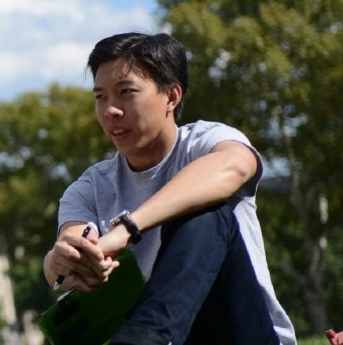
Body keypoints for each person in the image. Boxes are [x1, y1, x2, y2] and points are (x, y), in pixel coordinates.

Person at [41, 32, 295, 344]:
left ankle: (143, 338)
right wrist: (61, 261)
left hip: (242, 335)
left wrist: (126, 228)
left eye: (126, 92)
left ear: (171, 96)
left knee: (206, 210)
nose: (110, 111)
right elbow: (69, 243)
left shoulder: (206, 143)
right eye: (100, 97)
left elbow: (237, 165)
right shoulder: (89, 187)